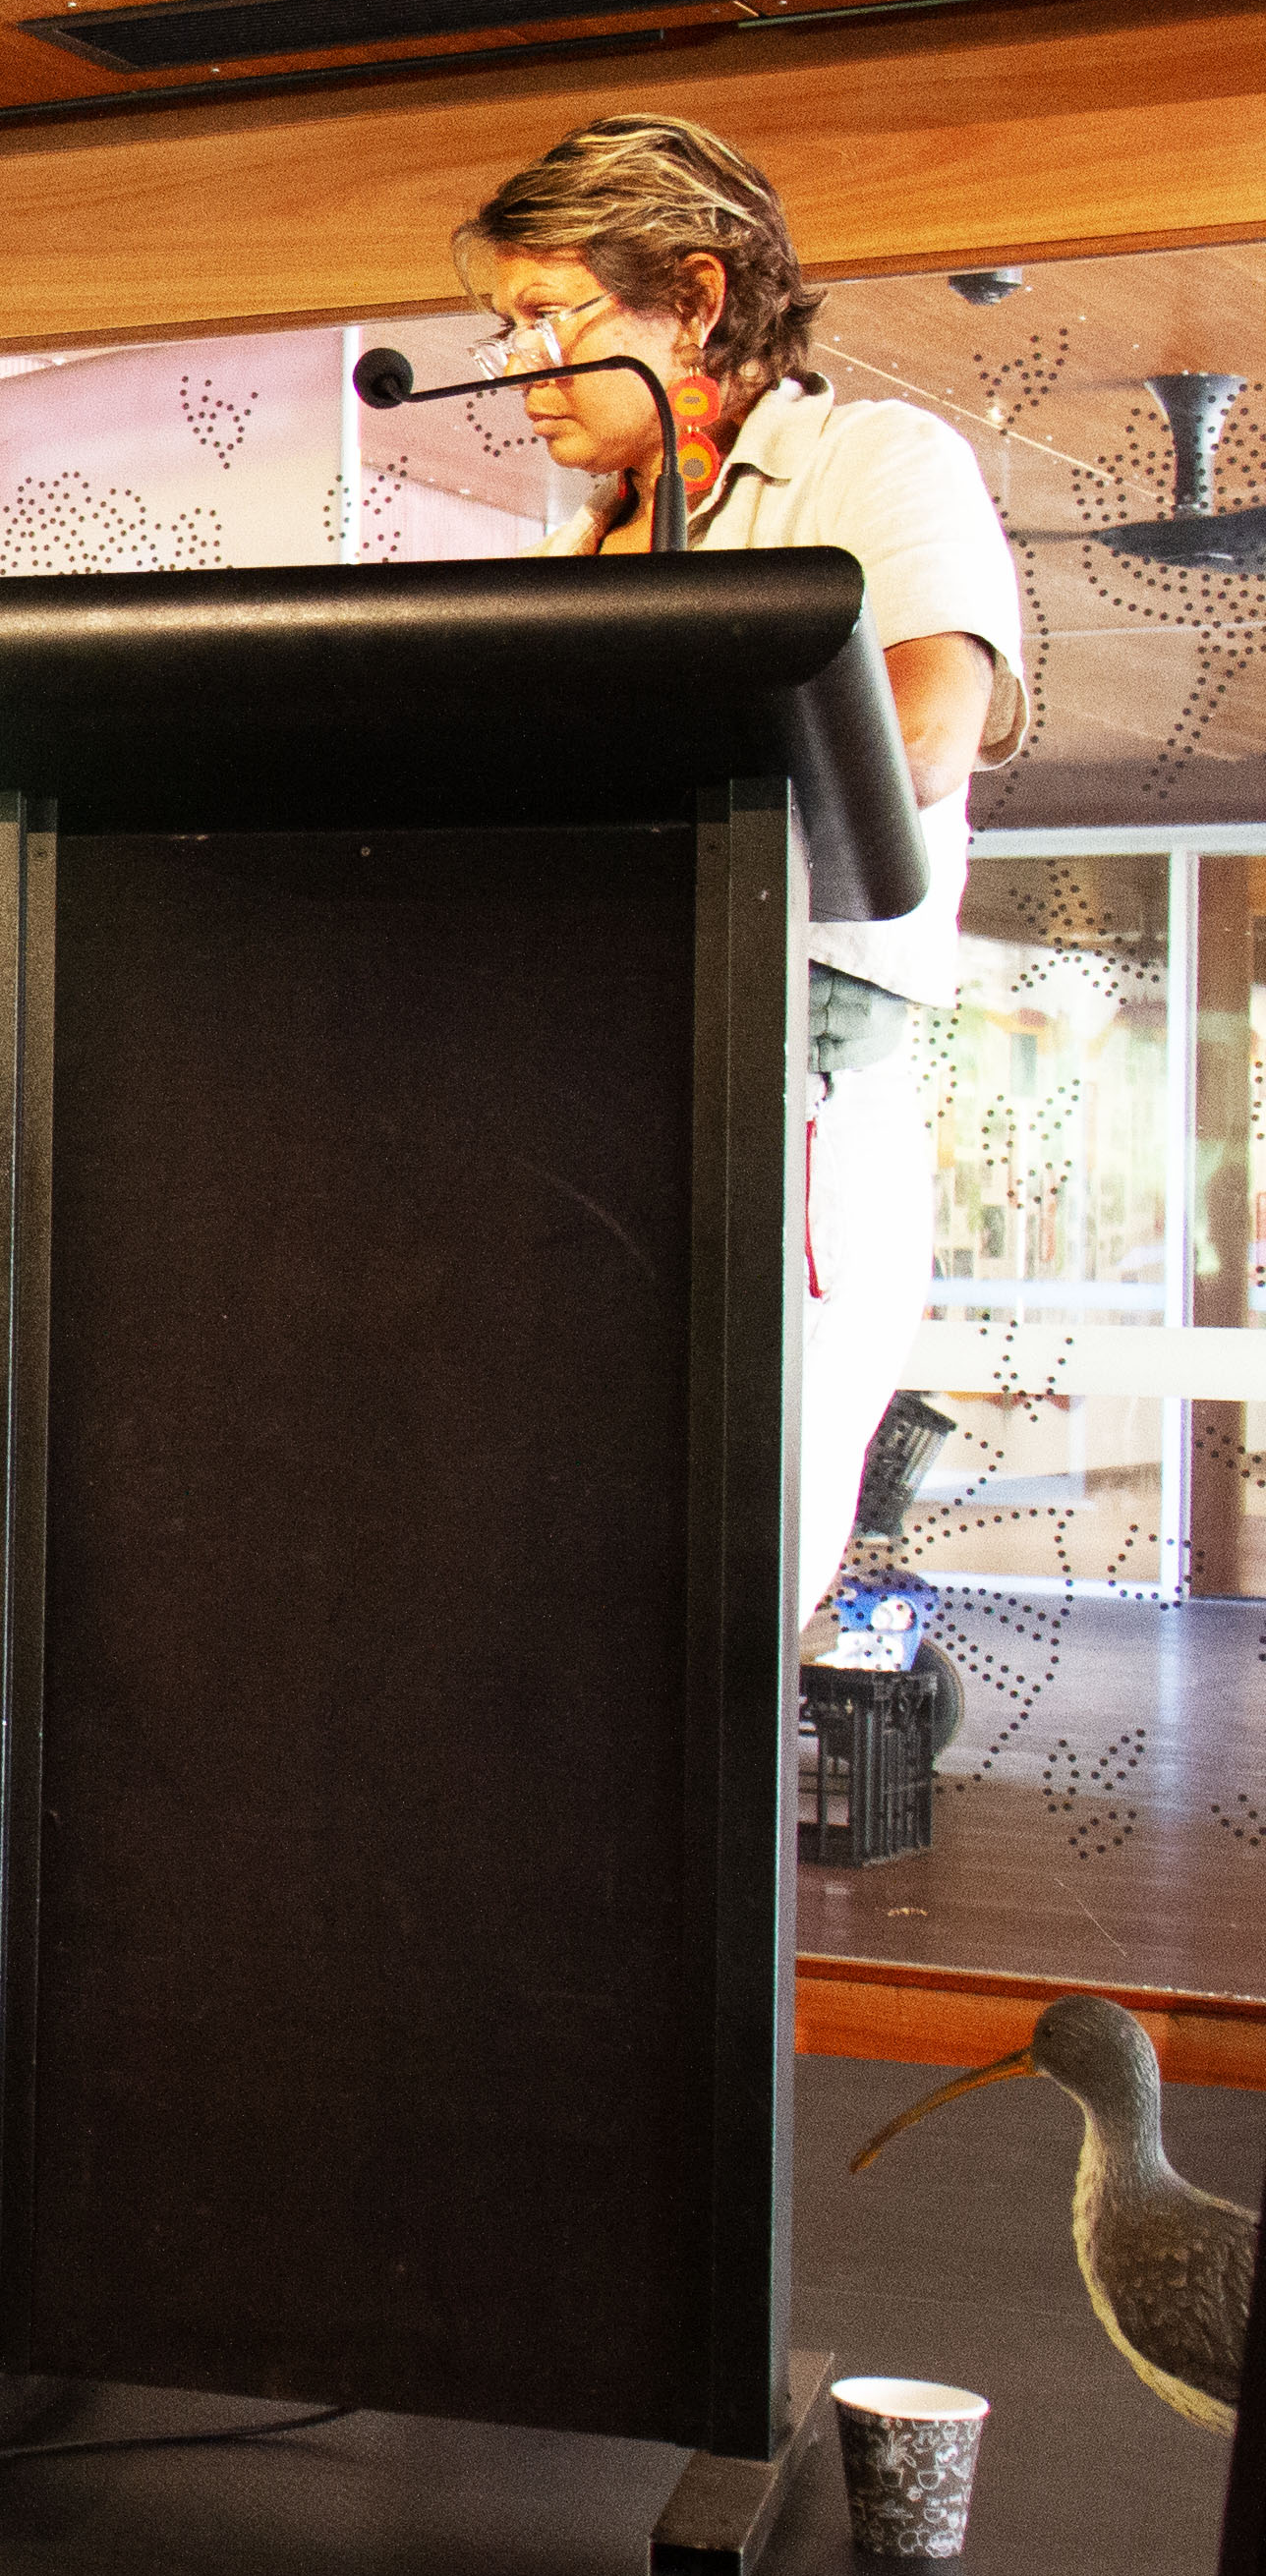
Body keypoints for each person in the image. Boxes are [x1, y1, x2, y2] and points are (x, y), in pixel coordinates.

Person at [464, 111, 1030, 1626]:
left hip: (797, 1081)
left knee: (714, 1598)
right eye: (501, 324)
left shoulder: (873, 465)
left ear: (697, 298)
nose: (518, 364)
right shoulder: (571, 557)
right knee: (553, 1587)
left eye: (548, 316)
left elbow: (919, 739)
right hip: (575, 1091)